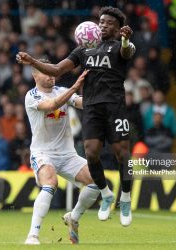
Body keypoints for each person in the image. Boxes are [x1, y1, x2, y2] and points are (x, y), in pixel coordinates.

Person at [17, 6, 136, 227]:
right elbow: (56, 70)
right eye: (100, 21)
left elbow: (127, 53)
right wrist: (32, 61)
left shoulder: (121, 45)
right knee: (91, 154)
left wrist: (126, 41)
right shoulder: (82, 50)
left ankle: (126, 197)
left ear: (118, 27)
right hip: (92, 108)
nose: (103, 25)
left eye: (109, 22)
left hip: (115, 107)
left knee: (123, 154)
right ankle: (105, 194)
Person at [24, 62, 99, 245]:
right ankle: (33, 235)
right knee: (50, 183)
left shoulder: (61, 90)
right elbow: (52, 105)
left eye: (52, 72)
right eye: (46, 73)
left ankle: (73, 217)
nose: (51, 76)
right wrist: (74, 87)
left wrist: (98, 100)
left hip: (67, 154)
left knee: (96, 183)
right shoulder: (32, 96)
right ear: (35, 76)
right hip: (43, 153)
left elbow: (79, 102)